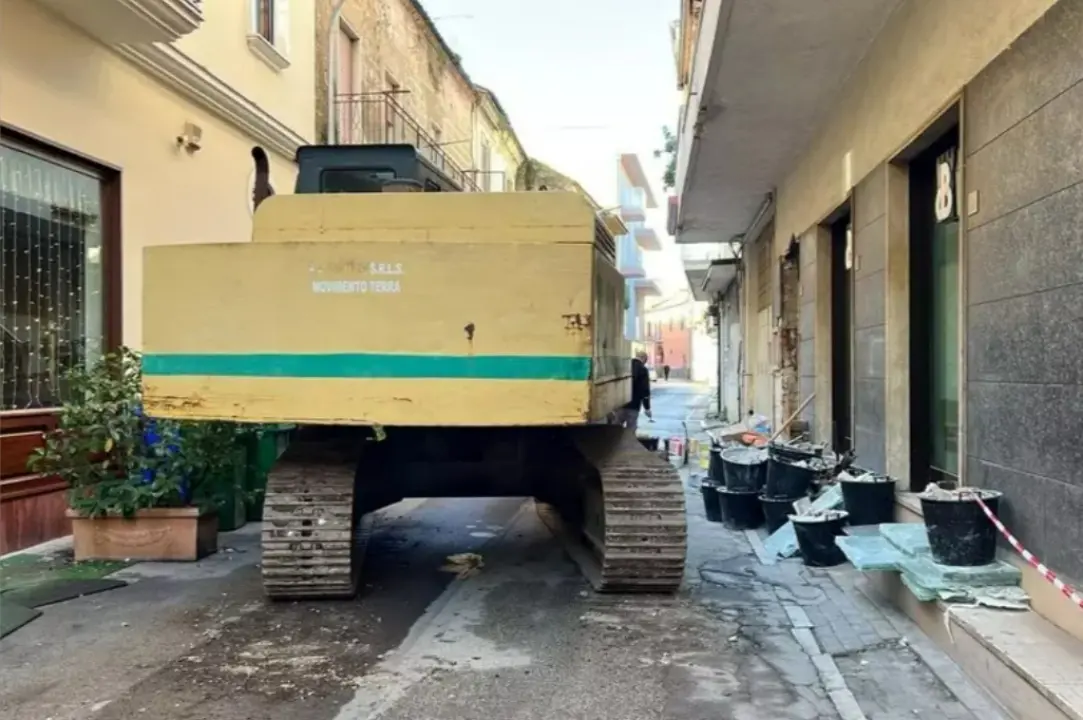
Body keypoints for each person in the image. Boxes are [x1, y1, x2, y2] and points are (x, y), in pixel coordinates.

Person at [616, 351, 652, 430]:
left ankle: (613, 442)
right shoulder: (643, 370)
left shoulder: (624, 366)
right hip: (634, 405)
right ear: (644, 359)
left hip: (620, 404)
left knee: (615, 429)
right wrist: (647, 408)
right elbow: (645, 390)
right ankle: (627, 441)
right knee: (631, 430)